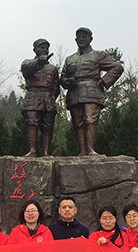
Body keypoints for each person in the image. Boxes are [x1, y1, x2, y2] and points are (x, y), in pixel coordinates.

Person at [60, 27, 124, 156]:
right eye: (79, 37)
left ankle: (90, 149)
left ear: (90, 39)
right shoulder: (70, 59)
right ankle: (82, 152)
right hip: (74, 93)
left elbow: (117, 67)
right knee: (78, 123)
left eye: (85, 37)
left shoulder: (99, 55)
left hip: (92, 92)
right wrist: (68, 82)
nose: (81, 39)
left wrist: (104, 81)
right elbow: (63, 78)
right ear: (75, 40)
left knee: (90, 119)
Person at [21, 38, 59, 157]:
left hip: (48, 99)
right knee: (32, 123)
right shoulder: (27, 63)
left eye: (46, 48)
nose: (44, 50)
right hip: (32, 97)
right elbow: (27, 71)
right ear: (34, 50)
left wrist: (51, 98)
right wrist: (39, 62)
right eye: (41, 47)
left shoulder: (53, 68)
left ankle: (45, 152)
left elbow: (56, 87)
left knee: (48, 126)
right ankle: (32, 151)